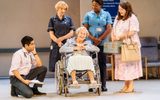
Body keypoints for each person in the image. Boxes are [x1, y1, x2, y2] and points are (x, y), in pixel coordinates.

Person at [111, 1, 142, 93]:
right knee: (122, 65)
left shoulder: (132, 18)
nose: (120, 11)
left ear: (127, 9)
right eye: (119, 9)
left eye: (122, 9)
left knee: (129, 64)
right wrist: (113, 36)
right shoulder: (117, 17)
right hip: (119, 44)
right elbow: (113, 29)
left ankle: (131, 86)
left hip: (129, 44)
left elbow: (133, 31)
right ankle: (126, 85)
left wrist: (121, 36)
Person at [82, 0, 112, 91]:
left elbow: (109, 28)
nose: (93, 7)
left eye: (96, 5)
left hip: (103, 43)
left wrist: (100, 39)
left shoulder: (106, 14)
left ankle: (103, 85)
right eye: (93, 5)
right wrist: (93, 39)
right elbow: (85, 29)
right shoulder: (88, 15)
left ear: (100, 5)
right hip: (90, 43)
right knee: (90, 63)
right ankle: (91, 84)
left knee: (102, 64)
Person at [47, 1, 75, 72]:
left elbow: (71, 33)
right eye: (61, 9)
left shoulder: (69, 19)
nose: (63, 11)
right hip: (56, 44)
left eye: (64, 9)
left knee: (68, 64)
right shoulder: (52, 19)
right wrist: (58, 41)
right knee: (56, 64)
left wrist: (62, 38)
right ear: (57, 9)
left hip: (67, 43)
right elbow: (51, 34)